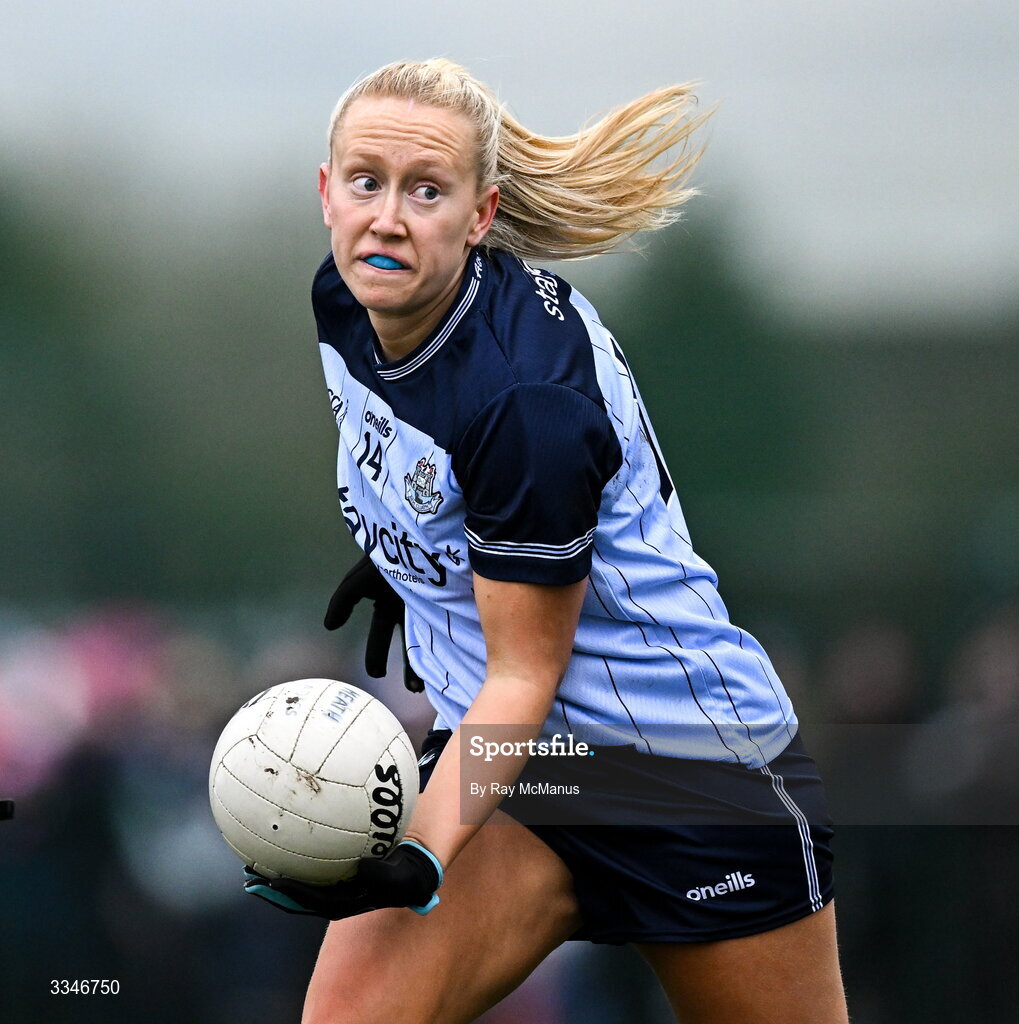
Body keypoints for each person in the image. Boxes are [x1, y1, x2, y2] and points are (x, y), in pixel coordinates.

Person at [243, 58, 849, 1023]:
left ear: (480, 216)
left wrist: (419, 854)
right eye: (366, 182)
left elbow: (524, 674)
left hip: (680, 779)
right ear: (327, 191)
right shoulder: (348, 299)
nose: (388, 218)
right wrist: (411, 557)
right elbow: (430, 465)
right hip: (525, 772)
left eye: (426, 191)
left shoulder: (523, 400)